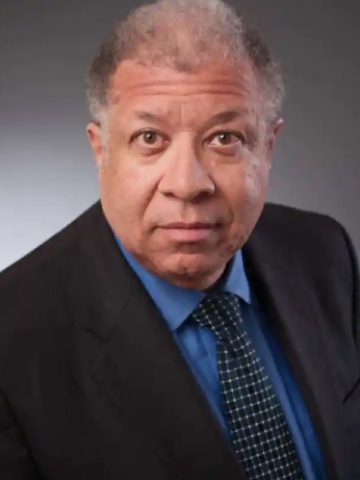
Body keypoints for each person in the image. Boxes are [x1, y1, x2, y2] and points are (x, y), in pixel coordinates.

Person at [0, 0, 359, 478]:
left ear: (268, 148)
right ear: (100, 150)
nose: (188, 184)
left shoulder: (324, 252)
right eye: (150, 138)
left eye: (225, 138)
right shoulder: (12, 340)